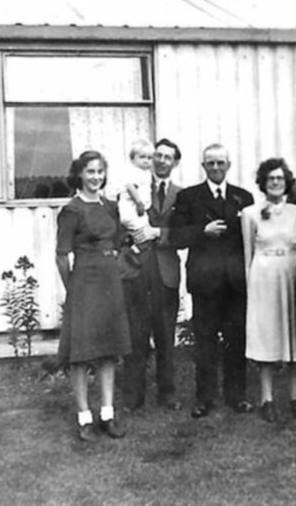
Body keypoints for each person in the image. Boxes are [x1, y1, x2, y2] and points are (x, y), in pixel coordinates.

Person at [170, 143, 255, 419]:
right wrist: (202, 231)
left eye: (220, 163)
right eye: (210, 163)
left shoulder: (244, 197)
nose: (216, 168)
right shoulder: (189, 197)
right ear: (203, 166)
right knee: (205, 343)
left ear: (229, 165)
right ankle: (204, 398)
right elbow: (177, 237)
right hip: (205, 281)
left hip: (234, 282)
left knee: (235, 340)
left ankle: (237, 395)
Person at [55, 150, 132, 442]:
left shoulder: (110, 207)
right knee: (81, 354)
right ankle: (84, 417)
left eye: (100, 171)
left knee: (109, 350)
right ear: (79, 175)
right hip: (84, 283)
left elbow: (119, 240)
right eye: (90, 172)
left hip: (110, 282)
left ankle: (108, 414)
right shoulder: (72, 211)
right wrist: (72, 288)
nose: (96, 177)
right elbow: (62, 256)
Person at [241, 158, 296, 422]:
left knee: (294, 335)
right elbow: (248, 252)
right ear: (263, 183)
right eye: (271, 179)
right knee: (267, 334)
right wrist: (250, 286)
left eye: (280, 179)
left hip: (292, 273)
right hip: (263, 276)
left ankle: (295, 396)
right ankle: (267, 397)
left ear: (287, 182)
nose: (276, 183)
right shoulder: (250, 213)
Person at [121, 139, 184, 412]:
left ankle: (167, 394)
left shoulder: (182, 195)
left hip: (166, 271)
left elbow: (184, 234)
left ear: (175, 163)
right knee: (136, 334)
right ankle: (134, 396)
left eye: (167, 157)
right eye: (157, 155)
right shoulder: (134, 188)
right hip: (136, 267)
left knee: (165, 335)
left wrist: (158, 233)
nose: (160, 160)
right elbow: (119, 221)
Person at [118, 139, 155, 254]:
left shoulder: (145, 173)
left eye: (149, 158)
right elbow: (130, 187)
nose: (146, 161)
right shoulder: (134, 172)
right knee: (139, 225)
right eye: (142, 157)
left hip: (138, 207)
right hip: (132, 206)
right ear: (132, 158)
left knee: (144, 226)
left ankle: (135, 243)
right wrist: (139, 203)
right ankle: (135, 244)